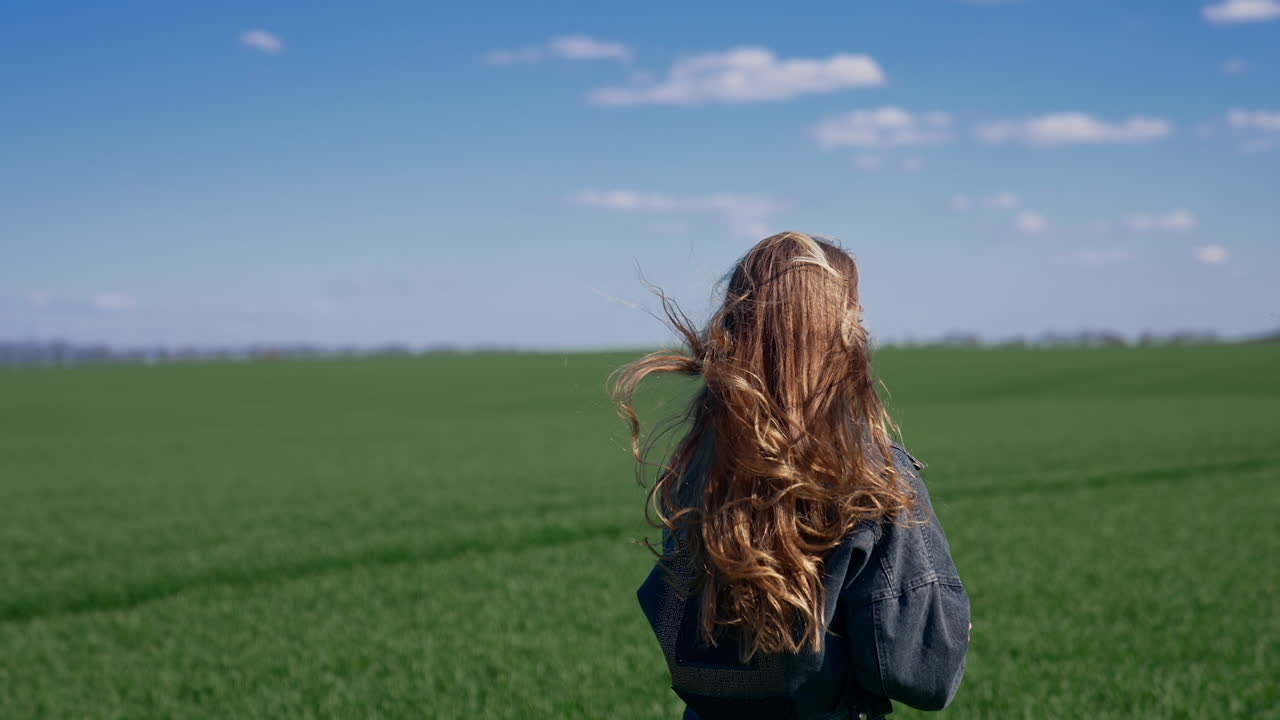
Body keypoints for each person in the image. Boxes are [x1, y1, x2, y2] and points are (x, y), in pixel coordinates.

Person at [610, 232, 971, 720]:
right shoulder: (874, 474)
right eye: (856, 314)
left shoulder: (698, 463)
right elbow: (924, 675)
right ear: (838, 332)